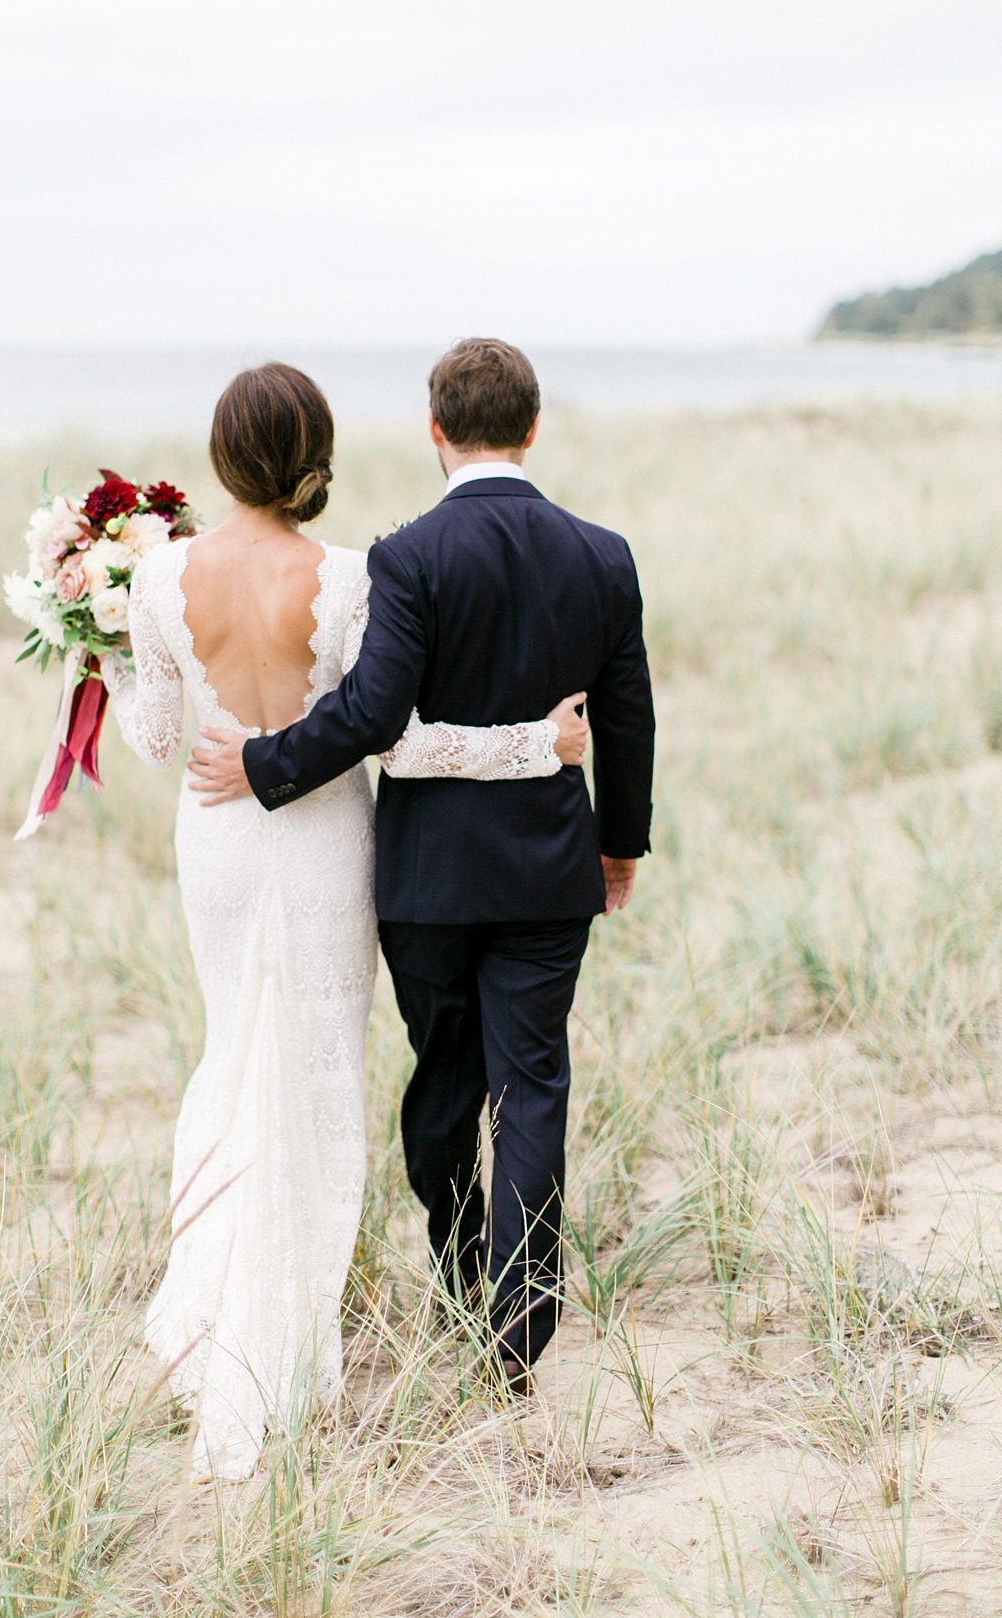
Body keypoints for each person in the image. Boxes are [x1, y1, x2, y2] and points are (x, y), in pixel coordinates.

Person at [102, 360, 588, 1477]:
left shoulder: (160, 578)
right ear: (314, 454)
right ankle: (294, 1342)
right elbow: (392, 738)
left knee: (232, 1056)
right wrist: (532, 747)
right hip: (325, 845)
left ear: (223, 457)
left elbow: (161, 743)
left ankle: (223, 1319)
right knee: (317, 1076)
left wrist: (107, 667)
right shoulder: (352, 575)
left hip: (217, 843)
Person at [189, 337, 655, 1391]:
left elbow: (370, 713)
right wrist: (618, 845)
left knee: (445, 1082)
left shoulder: (407, 558)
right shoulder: (602, 554)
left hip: (426, 883)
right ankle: (518, 1329)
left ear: (434, 431)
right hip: (547, 871)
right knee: (532, 1084)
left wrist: (262, 766)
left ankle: (457, 1275)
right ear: (533, 428)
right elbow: (628, 718)